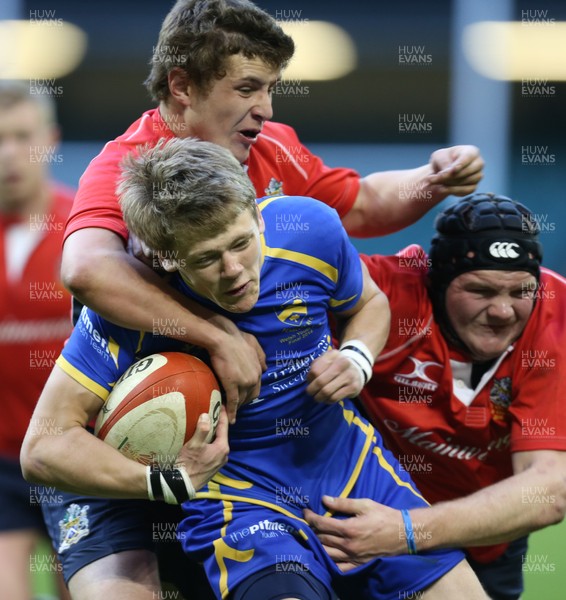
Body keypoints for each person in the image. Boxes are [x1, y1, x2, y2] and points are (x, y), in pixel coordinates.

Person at [22, 137, 488, 600]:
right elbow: (43, 447)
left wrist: (357, 357)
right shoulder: (128, 311)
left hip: (349, 467)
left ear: (259, 214)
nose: (234, 270)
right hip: (237, 499)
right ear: (164, 258)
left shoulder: (312, 229)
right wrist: (164, 480)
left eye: (242, 242)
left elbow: (367, 302)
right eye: (206, 258)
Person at [61, 0, 485, 422]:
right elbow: (86, 270)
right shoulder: (128, 164)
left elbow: (363, 205)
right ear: (183, 87)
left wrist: (433, 179)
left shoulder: (270, 146)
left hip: (270, 411)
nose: (266, 109)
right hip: (159, 409)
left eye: (270, 89)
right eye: (247, 89)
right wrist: (217, 335)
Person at [304, 193, 566, 600]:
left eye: (520, 292)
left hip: (485, 537)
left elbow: (550, 489)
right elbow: (280, 281)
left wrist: (407, 530)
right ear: (438, 281)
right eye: (480, 290)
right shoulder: (387, 295)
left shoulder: (557, 319)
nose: (503, 311)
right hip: (362, 519)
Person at [0, 82, 73, 600]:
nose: (8, 154)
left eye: (22, 137)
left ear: (49, 141)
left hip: (78, 455)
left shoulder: (88, 233)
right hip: (1, 462)